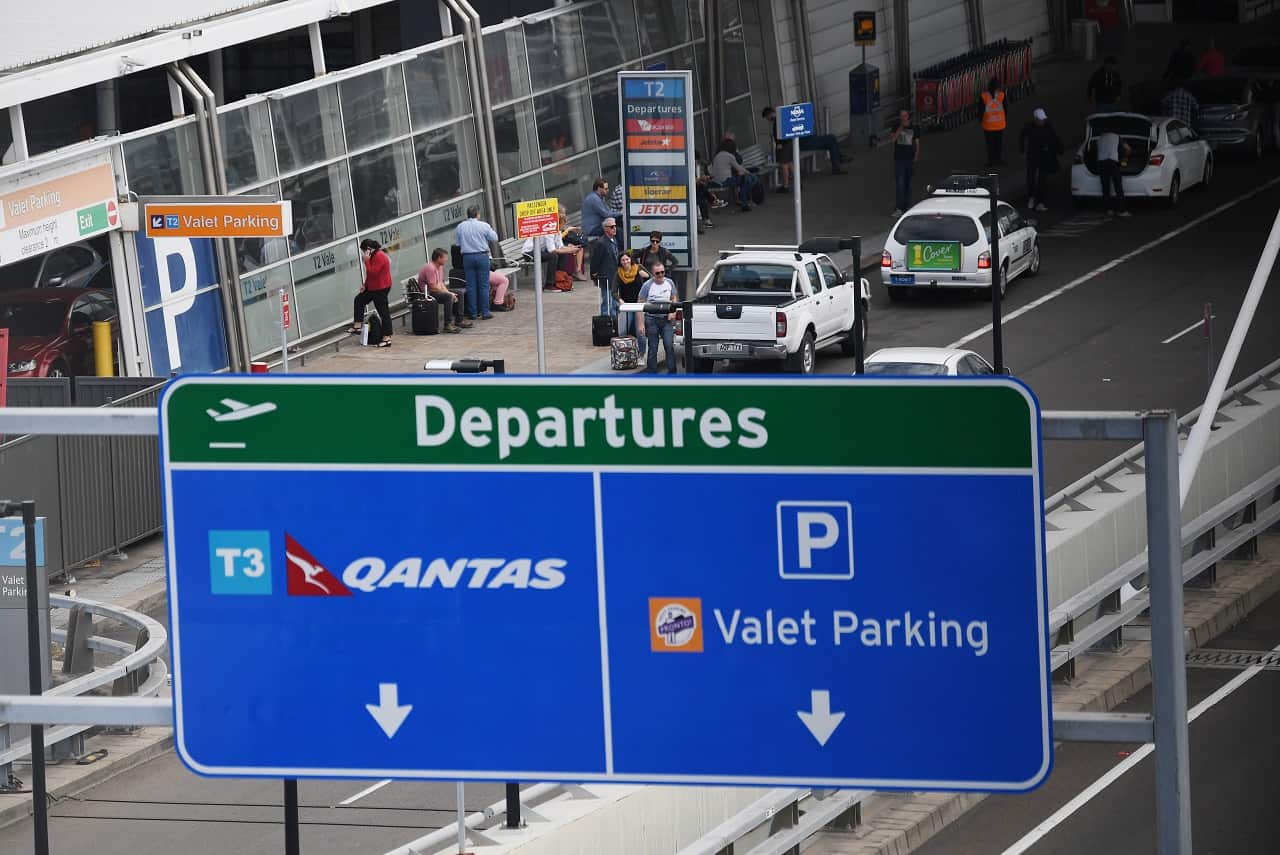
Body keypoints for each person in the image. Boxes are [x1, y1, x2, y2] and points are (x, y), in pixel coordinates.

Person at [761, 106, 847, 176]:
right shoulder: (781, 121)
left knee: (831, 139)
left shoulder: (780, 122)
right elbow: (781, 140)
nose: (768, 120)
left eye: (767, 117)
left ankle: (838, 159)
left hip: (803, 141)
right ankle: (838, 160)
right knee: (831, 139)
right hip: (802, 142)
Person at [453, 206, 498, 321]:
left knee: (470, 286)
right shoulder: (483, 225)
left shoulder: (460, 227)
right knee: (484, 285)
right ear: (477, 214)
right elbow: (494, 237)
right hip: (482, 256)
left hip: (467, 257)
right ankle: (485, 312)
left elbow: (457, 244)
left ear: (467, 214)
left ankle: (472, 313)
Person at [348, 239, 394, 346]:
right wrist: (365, 285)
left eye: (364, 251)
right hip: (372, 287)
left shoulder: (380, 256)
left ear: (368, 249)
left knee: (383, 312)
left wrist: (366, 261)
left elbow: (373, 272)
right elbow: (370, 276)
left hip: (380, 288)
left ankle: (387, 338)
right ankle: (357, 326)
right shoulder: (373, 255)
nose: (363, 254)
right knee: (359, 300)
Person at [1019, 108, 1063, 212]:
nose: (1042, 121)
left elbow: (1054, 138)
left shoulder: (1048, 126)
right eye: (1040, 119)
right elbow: (1021, 138)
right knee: (1031, 177)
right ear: (1035, 119)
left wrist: (1058, 149)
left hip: (1044, 156)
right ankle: (1031, 197)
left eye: (1043, 119)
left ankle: (1040, 202)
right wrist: (1022, 151)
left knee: (1042, 180)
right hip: (1032, 155)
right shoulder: (1029, 127)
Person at [639, 262, 679, 374]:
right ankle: (652, 373)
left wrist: (673, 311)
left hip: (666, 319)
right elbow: (640, 304)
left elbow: (674, 296)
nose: (660, 275)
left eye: (662, 272)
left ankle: (672, 372)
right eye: (657, 273)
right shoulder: (647, 285)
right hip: (651, 319)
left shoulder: (669, 282)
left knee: (669, 345)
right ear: (653, 273)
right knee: (653, 347)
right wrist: (641, 324)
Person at [418, 247, 469, 333]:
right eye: (445, 257)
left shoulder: (440, 267)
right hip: (428, 294)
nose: (446, 259)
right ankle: (447, 325)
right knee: (448, 297)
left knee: (459, 293)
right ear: (439, 258)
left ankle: (459, 320)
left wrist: (449, 292)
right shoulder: (430, 268)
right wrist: (449, 294)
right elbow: (433, 287)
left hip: (436, 290)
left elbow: (441, 283)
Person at [610, 252, 650, 357]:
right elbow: (613, 291)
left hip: (639, 305)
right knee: (623, 332)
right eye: (623, 260)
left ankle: (642, 353)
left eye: (627, 259)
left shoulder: (638, 268)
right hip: (626, 306)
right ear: (620, 262)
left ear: (630, 259)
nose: (625, 262)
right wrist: (620, 300)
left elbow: (651, 280)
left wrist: (646, 276)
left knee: (640, 331)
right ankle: (625, 354)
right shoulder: (619, 273)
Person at [522, 223, 578, 289]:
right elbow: (552, 250)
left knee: (563, 254)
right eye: (563, 224)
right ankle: (549, 285)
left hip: (539, 251)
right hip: (529, 253)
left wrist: (572, 249)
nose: (564, 226)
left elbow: (560, 247)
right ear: (558, 223)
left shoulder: (558, 231)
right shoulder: (549, 231)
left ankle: (560, 280)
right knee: (553, 256)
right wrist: (570, 250)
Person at [711, 136, 756, 211]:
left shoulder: (717, 155)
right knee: (744, 179)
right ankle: (744, 202)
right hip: (725, 181)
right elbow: (739, 168)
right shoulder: (729, 156)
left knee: (741, 178)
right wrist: (749, 172)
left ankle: (742, 200)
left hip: (715, 181)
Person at [889, 110, 919, 217]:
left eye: (905, 115)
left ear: (908, 116)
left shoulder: (914, 127)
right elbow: (892, 140)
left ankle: (907, 206)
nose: (903, 117)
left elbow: (916, 143)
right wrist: (900, 129)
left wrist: (916, 156)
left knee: (908, 184)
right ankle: (899, 208)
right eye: (901, 116)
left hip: (909, 159)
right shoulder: (895, 126)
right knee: (900, 184)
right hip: (899, 160)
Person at [590, 217, 622, 317]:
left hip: (615, 277)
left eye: (615, 226)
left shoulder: (615, 240)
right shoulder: (601, 243)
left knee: (615, 303)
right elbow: (595, 261)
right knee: (608, 303)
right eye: (612, 227)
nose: (614, 228)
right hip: (606, 277)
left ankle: (615, 324)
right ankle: (606, 325)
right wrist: (594, 276)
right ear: (605, 228)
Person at [1096, 130, 1132, 218]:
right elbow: (1128, 149)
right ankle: (1121, 211)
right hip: (1112, 162)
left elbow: (1097, 150)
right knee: (1118, 187)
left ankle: (1108, 210)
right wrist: (1125, 159)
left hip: (1101, 163)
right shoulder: (1117, 136)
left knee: (1105, 187)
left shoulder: (1099, 138)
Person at [762, 106, 793, 192]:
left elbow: (780, 134)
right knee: (790, 164)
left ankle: (785, 186)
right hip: (789, 143)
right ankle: (798, 182)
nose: (768, 119)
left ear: (770, 114)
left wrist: (779, 143)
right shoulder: (782, 118)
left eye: (767, 117)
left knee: (784, 165)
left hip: (783, 145)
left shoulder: (777, 121)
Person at [980, 78, 1007, 167]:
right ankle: (998, 159)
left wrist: (981, 120)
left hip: (988, 125)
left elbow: (980, 110)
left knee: (990, 145)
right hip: (1000, 124)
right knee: (998, 144)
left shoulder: (984, 96)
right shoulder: (1002, 95)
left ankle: (991, 161)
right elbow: (1005, 109)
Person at [558, 205, 588, 281]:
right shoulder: (555, 222)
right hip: (558, 243)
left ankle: (578, 271)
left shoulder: (562, 220)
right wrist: (567, 230)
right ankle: (571, 272)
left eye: (565, 213)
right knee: (572, 247)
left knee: (578, 247)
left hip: (562, 241)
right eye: (563, 213)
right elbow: (558, 239)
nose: (564, 215)